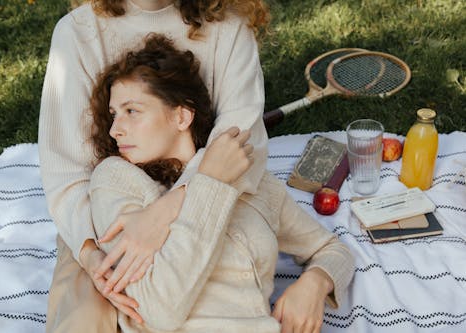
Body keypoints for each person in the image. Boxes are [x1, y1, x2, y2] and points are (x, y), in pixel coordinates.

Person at [88, 33, 354, 333]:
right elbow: (156, 310)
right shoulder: (115, 180)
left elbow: (333, 250)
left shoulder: (253, 182)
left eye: (131, 111)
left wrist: (315, 283)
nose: (115, 130)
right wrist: (210, 184)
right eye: (113, 115)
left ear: (181, 116)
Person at [39, 0, 270, 332]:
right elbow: (67, 174)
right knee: (84, 320)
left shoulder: (229, 29)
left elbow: (237, 150)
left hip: (203, 199)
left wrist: (163, 213)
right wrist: (92, 258)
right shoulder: (77, 32)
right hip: (107, 216)